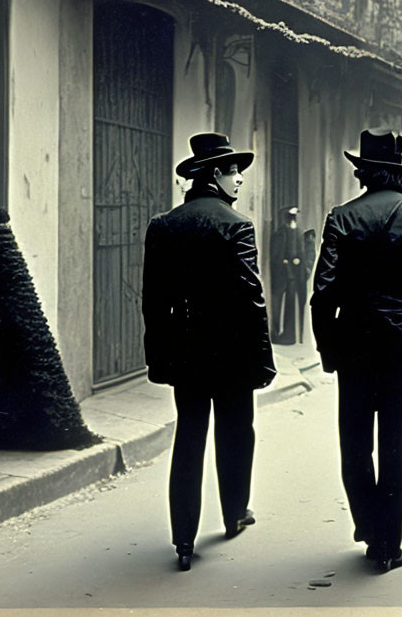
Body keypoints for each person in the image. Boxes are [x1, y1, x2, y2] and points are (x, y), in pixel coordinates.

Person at [311, 128, 402, 572]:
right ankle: (388, 544)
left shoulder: (341, 217)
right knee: (395, 444)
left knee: (354, 444)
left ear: (363, 174)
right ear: (399, 170)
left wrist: (327, 348)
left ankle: (368, 523)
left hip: (353, 345)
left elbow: (322, 293)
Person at [142, 132, 276, 571]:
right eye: (235, 171)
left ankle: (183, 538)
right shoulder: (237, 225)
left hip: (186, 351)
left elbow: (153, 300)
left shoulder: (163, 224)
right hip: (233, 351)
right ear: (215, 174)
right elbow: (251, 298)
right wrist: (262, 357)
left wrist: (159, 356)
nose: (240, 180)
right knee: (237, 431)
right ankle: (235, 512)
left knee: (190, 435)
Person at [269, 206, 309, 344]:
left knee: (291, 304)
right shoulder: (280, 233)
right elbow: (276, 254)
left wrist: (298, 262)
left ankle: (289, 336)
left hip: (293, 275)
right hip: (281, 274)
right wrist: (284, 261)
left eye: (295, 217)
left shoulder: (297, 232)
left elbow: (300, 252)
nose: (294, 220)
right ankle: (276, 334)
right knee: (277, 304)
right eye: (291, 217)